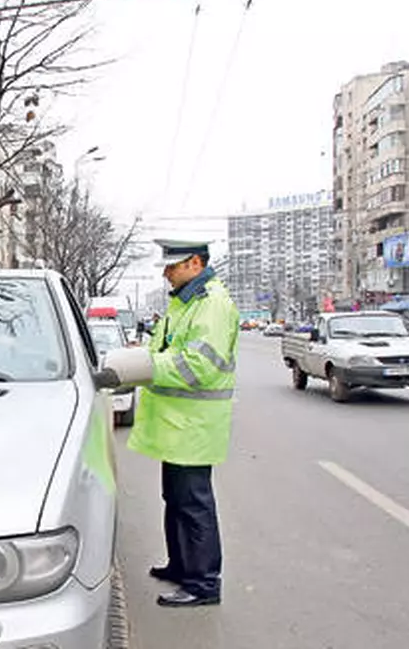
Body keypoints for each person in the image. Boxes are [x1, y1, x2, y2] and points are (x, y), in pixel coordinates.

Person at [102, 239, 238, 608]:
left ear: (195, 263)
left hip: (194, 426)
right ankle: (181, 566)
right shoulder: (186, 303)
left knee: (194, 505)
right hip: (179, 425)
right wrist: (139, 357)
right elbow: (168, 351)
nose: (166, 273)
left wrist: (141, 368)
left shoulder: (211, 305)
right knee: (176, 500)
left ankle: (203, 583)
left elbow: (198, 366)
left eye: (172, 266)